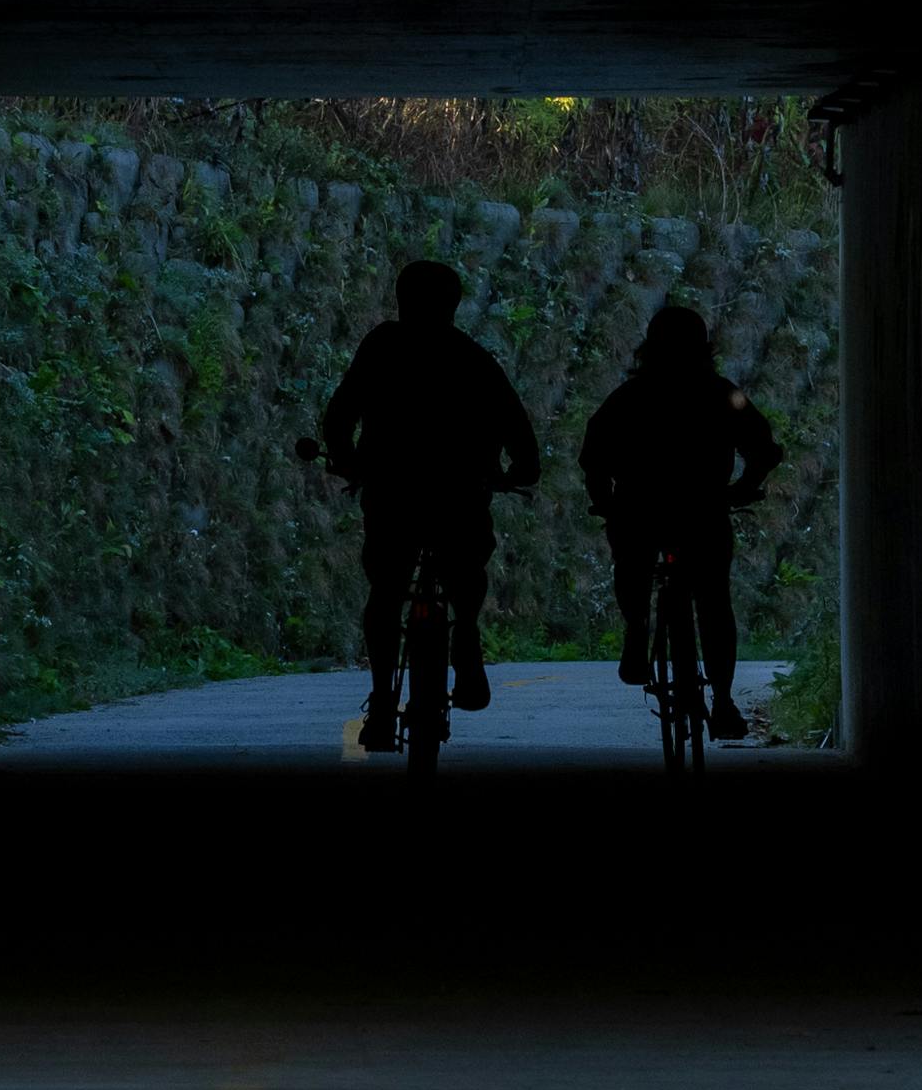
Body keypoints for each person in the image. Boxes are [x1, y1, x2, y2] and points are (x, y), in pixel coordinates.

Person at [303, 258, 540, 756]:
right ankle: (468, 636)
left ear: (400, 297)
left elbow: (340, 414)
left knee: (386, 591)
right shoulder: (472, 357)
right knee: (468, 564)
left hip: (394, 491)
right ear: (453, 304)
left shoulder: (382, 347)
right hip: (459, 492)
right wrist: (519, 470)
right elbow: (517, 428)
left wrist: (345, 460)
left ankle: (385, 701)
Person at [581, 300, 784, 739]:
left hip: (639, 510)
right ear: (703, 348)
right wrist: (746, 485)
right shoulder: (722, 393)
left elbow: (594, 455)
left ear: (648, 349)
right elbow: (763, 448)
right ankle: (724, 702)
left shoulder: (629, 396)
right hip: (703, 509)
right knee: (714, 602)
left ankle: (637, 629)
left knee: (632, 567)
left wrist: (605, 500)